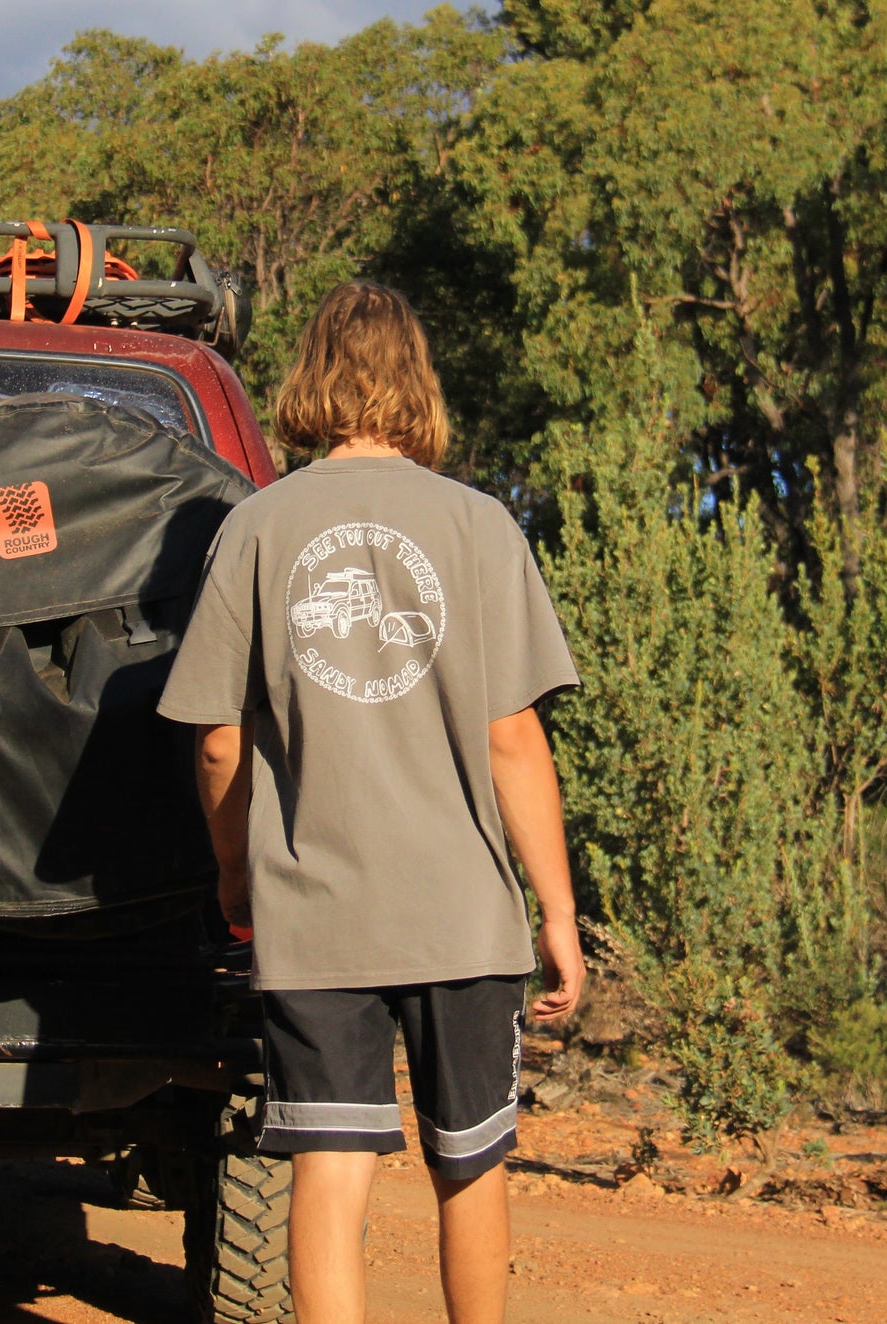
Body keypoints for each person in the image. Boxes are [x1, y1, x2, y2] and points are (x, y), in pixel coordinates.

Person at [157, 280, 586, 1324]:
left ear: (308, 379)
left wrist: (233, 870)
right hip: (460, 913)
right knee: (470, 1162)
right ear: (415, 382)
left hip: (316, 913)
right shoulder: (478, 524)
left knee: (329, 1163)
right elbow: (510, 738)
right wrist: (558, 915)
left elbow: (219, 741)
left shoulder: (255, 527)